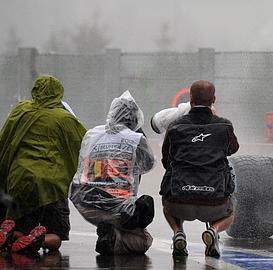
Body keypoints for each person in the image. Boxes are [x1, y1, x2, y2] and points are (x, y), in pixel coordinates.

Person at [0, 75, 86, 253]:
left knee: (20, 225)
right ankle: (37, 239)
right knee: (56, 236)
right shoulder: (64, 119)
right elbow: (84, 144)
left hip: (20, 179)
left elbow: (4, 141)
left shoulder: (20, 111)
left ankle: (12, 234)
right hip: (51, 184)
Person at [158, 80, 239, 258]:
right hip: (214, 203)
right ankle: (214, 230)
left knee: (167, 202)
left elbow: (166, 160)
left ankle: (178, 232)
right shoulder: (224, 126)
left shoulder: (175, 126)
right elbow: (232, 149)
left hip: (179, 203)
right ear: (214, 99)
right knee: (230, 210)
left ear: (190, 99)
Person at [69, 90, 156, 255]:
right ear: (136, 119)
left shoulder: (92, 133)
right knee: (144, 239)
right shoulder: (136, 138)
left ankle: (110, 231)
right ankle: (114, 236)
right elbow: (148, 164)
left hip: (84, 202)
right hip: (118, 208)